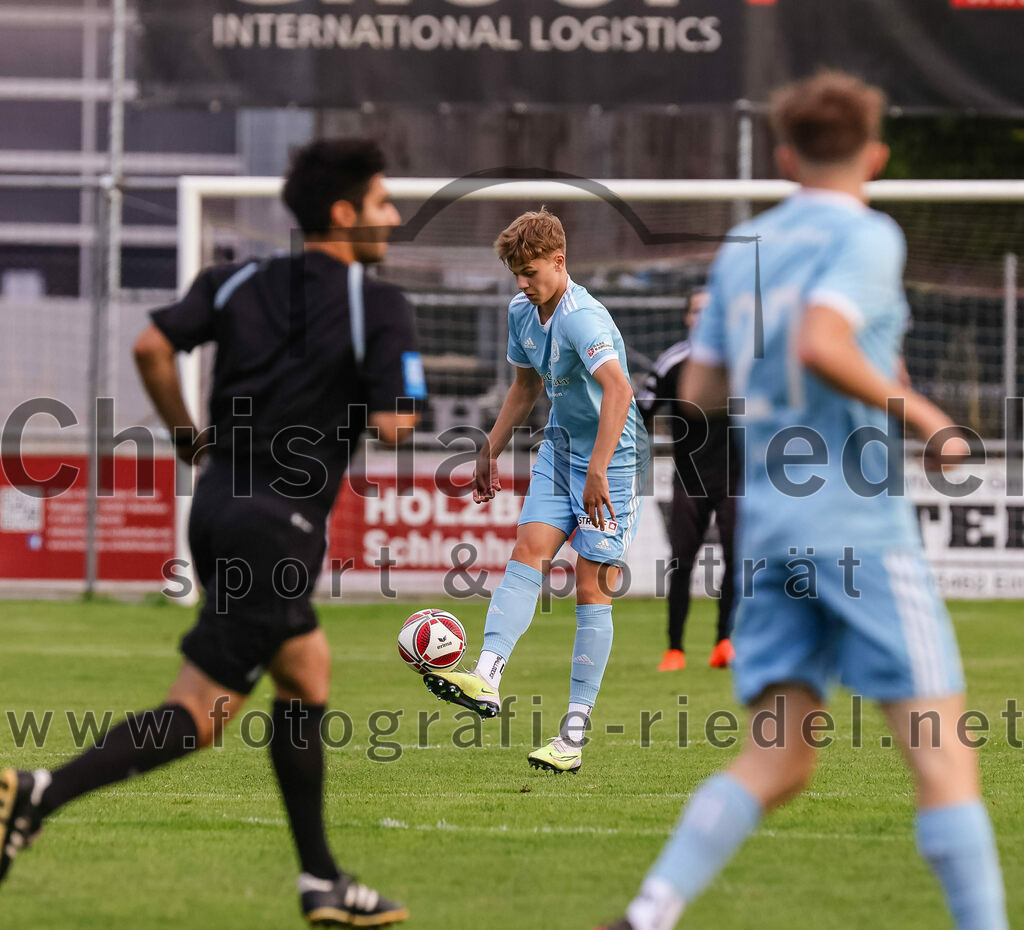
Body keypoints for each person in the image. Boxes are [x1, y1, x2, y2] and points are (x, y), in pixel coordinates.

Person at [597, 72, 1007, 930]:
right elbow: (823, 339)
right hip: (853, 520)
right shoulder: (866, 233)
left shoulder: (747, 240)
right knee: (943, 757)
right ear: (877, 155)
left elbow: (702, 388)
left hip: (774, 528)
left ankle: (648, 913)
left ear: (783, 156)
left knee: (777, 757)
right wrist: (926, 416)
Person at [0, 138, 425, 928]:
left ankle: (322, 883)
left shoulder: (235, 279)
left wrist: (188, 438)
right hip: (281, 525)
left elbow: (151, 346)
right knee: (203, 715)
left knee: (307, 672)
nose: (393, 218)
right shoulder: (380, 304)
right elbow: (400, 428)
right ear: (344, 213)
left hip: (217, 503)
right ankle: (38, 793)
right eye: (382, 203)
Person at [422, 208, 650, 774]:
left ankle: (571, 738)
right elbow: (524, 387)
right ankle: (487, 676)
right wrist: (488, 449)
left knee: (591, 589)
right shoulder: (521, 310)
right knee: (528, 550)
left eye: (530, 271)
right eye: (514, 273)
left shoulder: (583, 318)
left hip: (615, 459)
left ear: (559, 261)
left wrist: (598, 469)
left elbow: (619, 391)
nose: (522, 283)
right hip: (561, 447)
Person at [636, 292, 738, 672]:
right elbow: (641, 411)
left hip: (736, 479)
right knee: (681, 561)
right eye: (698, 310)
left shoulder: (744, 360)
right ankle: (674, 649)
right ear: (688, 318)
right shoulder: (674, 362)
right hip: (689, 479)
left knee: (737, 560)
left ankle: (724, 642)